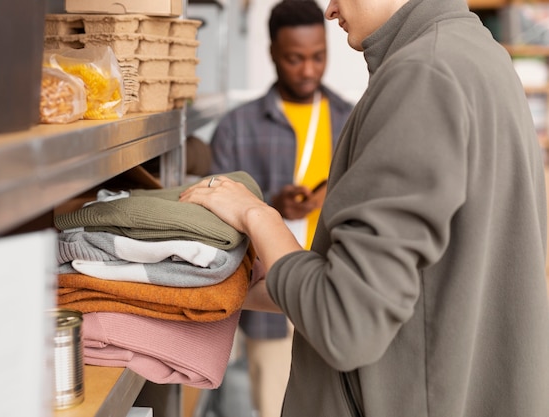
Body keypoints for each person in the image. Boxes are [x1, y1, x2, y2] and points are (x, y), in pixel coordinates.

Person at [181, 0, 549, 416]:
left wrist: (256, 214)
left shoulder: (423, 76)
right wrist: (231, 284)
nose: (331, 10)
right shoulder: (479, 54)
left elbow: (345, 323)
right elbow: (411, 289)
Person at [208, 1, 353, 416]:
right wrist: (271, 205)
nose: (308, 70)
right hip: (272, 296)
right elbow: (214, 223)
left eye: (318, 57)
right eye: (294, 58)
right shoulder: (236, 127)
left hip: (334, 290)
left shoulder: (351, 120)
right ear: (272, 51)